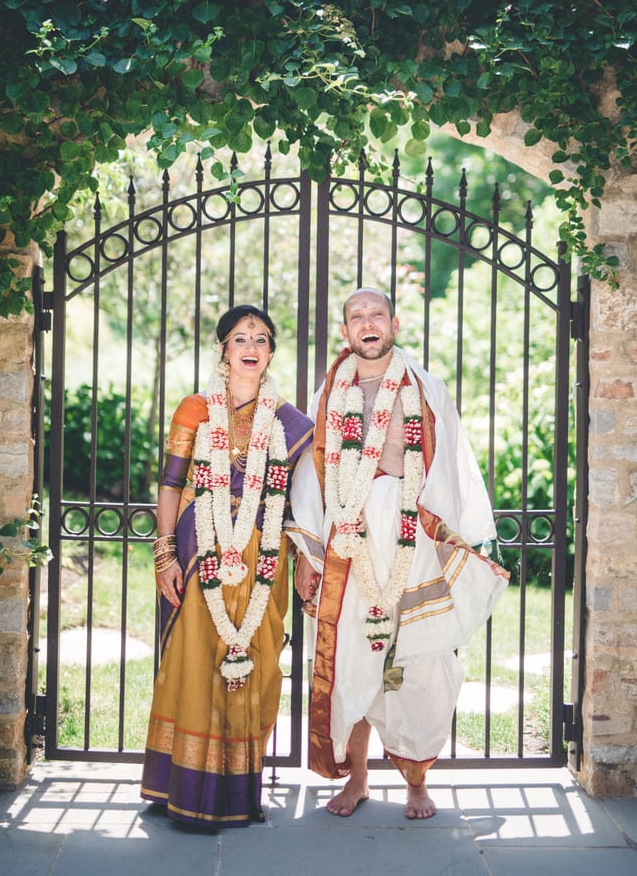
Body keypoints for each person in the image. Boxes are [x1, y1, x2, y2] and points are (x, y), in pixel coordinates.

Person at [287, 288, 509, 820]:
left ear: (395, 323)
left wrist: (443, 534)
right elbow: (313, 479)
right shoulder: (330, 392)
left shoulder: (426, 390)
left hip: (413, 541)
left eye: (377, 314)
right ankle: (358, 780)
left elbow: (451, 467)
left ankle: (415, 782)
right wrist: (307, 555)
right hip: (348, 545)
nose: (368, 323)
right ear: (345, 331)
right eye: (356, 316)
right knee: (350, 659)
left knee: (421, 664)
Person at [141, 305, 313, 828]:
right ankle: (183, 787)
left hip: (263, 553)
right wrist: (165, 552)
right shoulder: (195, 409)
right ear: (223, 350)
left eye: (261, 338)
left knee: (254, 666)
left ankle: (238, 789)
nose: (251, 347)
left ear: (270, 352)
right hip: (198, 548)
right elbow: (171, 486)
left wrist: (304, 557)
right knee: (195, 662)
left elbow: (304, 501)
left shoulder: (290, 420)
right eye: (241, 338)